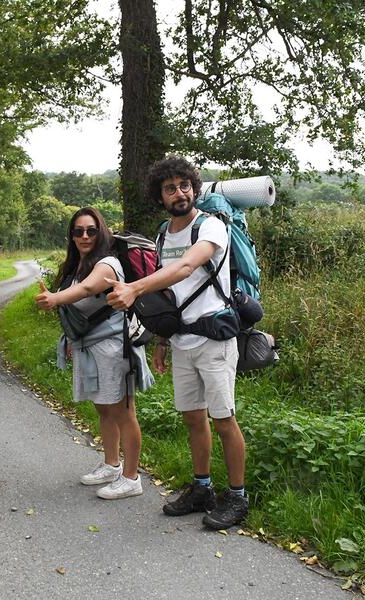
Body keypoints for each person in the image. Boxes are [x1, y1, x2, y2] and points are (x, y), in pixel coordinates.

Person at [105, 156, 248, 529]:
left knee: (223, 419)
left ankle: (237, 497)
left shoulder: (211, 226)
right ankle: (202, 488)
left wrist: (133, 288)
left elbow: (186, 267)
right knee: (192, 418)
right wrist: (163, 339)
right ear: (161, 195)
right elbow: (171, 290)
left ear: (194, 189)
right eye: (170, 188)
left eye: (185, 185)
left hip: (215, 338)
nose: (179, 193)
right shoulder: (162, 234)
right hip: (182, 339)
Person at [35, 207, 154, 500]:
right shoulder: (78, 264)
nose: (85, 236)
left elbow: (89, 289)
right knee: (104, 409)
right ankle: (112, 464)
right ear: (71, 236)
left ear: (102, 232)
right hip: (90, 347)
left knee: (123, 412)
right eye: (78, 231)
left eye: (91, 230)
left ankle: (131, 477)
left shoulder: (108, 263)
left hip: (114, 347)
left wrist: (54, 298)